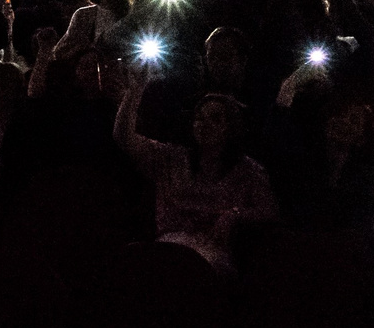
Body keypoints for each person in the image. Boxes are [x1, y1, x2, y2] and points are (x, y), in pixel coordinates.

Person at [112, 59, 278, 271]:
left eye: (215, 119)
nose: (203, 124)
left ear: (231, 128)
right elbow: (124, 138)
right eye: (199, 118)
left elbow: (270, 211)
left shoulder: (247, 170)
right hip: (168, 248)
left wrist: (235, 214)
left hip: (211, 257)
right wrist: (135, 91)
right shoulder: (172, 157)